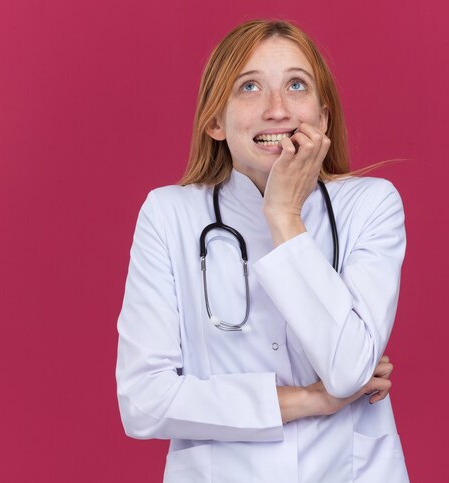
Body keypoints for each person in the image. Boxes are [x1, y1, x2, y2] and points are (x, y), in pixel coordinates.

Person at [116, 19, 409, 482]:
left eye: (296, 85)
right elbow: (142, 401)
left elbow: (349, 373)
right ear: (215, 121)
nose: (278, 109)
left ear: (323, 117)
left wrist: (284, 216)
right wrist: (310, 400)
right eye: (250, 87)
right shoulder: (169, 214)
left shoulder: (371, 204)